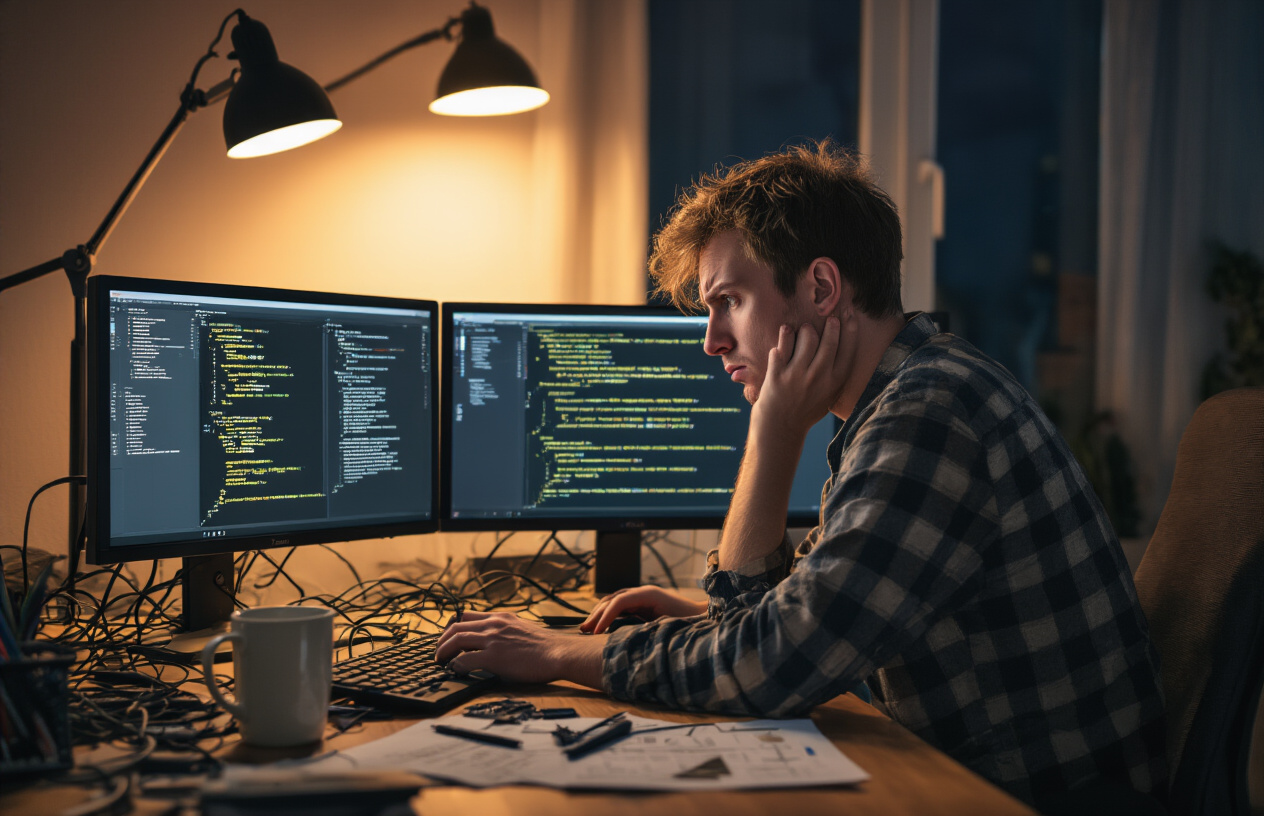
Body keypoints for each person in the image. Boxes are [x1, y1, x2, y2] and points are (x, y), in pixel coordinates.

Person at [435, 141, 1167, 809]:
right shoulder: (905, 397)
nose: (711, 341)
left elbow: (769, 669)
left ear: (820, 288)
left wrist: (561, 651)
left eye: (729, 301)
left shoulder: (931, 415)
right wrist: (699, 607)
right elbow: (784, 621)